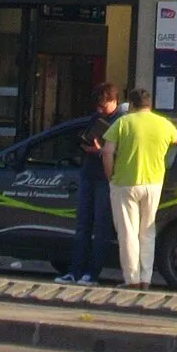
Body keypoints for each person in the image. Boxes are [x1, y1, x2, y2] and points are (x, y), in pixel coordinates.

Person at [99, 87, 177, 290]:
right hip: (153, 183)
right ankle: (146, 279)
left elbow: (107, 152)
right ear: (150, 104)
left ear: (131, 105)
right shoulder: (162, 124)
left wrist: (110, 176)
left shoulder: (123, 122)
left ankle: (132, 279)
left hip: (125, 183)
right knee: (147, 231)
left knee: (128, 232)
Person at [56, 82, 121, 285]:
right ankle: (75, 271)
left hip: (105, 176)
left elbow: (120, 152)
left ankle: (92, 273)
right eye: (98, 107)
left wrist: (100, 150)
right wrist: (85, 144)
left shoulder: (120, 121)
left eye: (103, 106)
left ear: (114, 101)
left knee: (100, 226)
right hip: (89, 173)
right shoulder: (96, 118)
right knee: (82, 224)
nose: (100, 110)